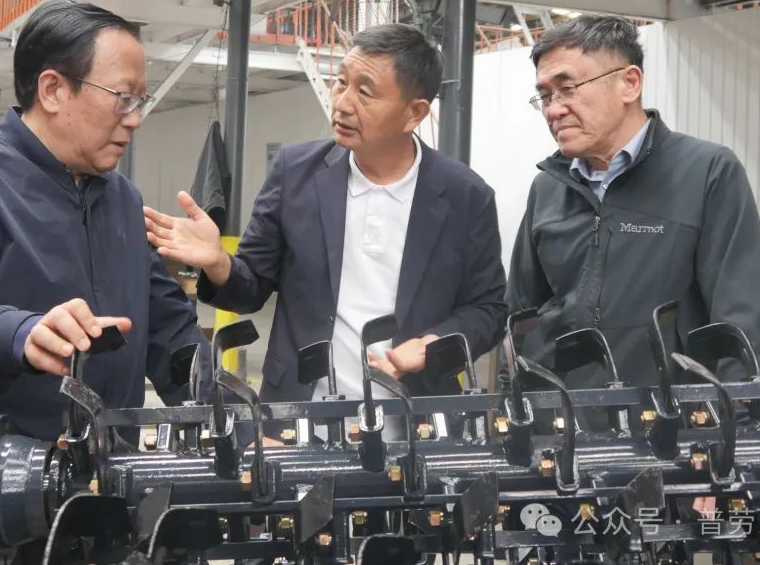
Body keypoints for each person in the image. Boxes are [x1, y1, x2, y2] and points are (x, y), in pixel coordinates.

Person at [0, 0, 209, 565]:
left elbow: (167, 325)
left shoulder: (121, 198)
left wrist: (224, 415)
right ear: (54, 89)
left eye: (141, 100)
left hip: (98, 493)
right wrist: (18, 333)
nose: (135, 118)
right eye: (123, 97)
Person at [144, 24, 508, 405]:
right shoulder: (295, 173)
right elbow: (251, 287)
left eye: (364, 92)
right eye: (341, 82)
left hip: (416, 416)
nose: (342, 103)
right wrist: (219, 262)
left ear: (413, 113)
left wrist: (431, 345)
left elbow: (488, 309)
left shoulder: (466, 197)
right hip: (300, 413)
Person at [506, 15, 760, 391]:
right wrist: (518, 403)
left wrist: (749, 411)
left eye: (568, 88)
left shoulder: (705, 172)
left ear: (629, 83)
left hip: (672, 414)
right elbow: (521, 315)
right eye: (545, 95)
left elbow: (744, 316)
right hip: (567, 414)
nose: (553, 110)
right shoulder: (549, 187)